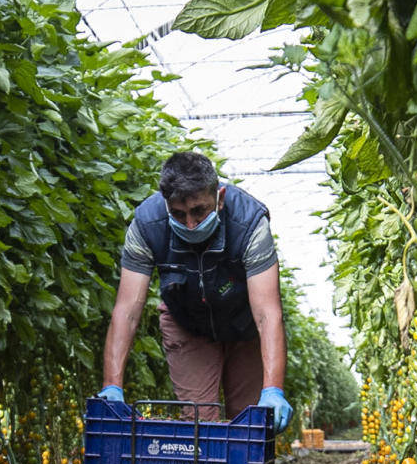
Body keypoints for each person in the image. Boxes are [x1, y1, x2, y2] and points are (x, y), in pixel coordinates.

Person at [100, 152, 293, 432]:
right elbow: (127, 310)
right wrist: (112, 386)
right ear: (166, 205)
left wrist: (273, 390)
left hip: (244, 327)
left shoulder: (250, 223)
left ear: (220, 197)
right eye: (178, 214)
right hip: (187, 324)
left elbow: (267, 314)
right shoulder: (146, 224)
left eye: (199, 211)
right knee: (199, 424)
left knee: (250, 421)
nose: (190, 224)